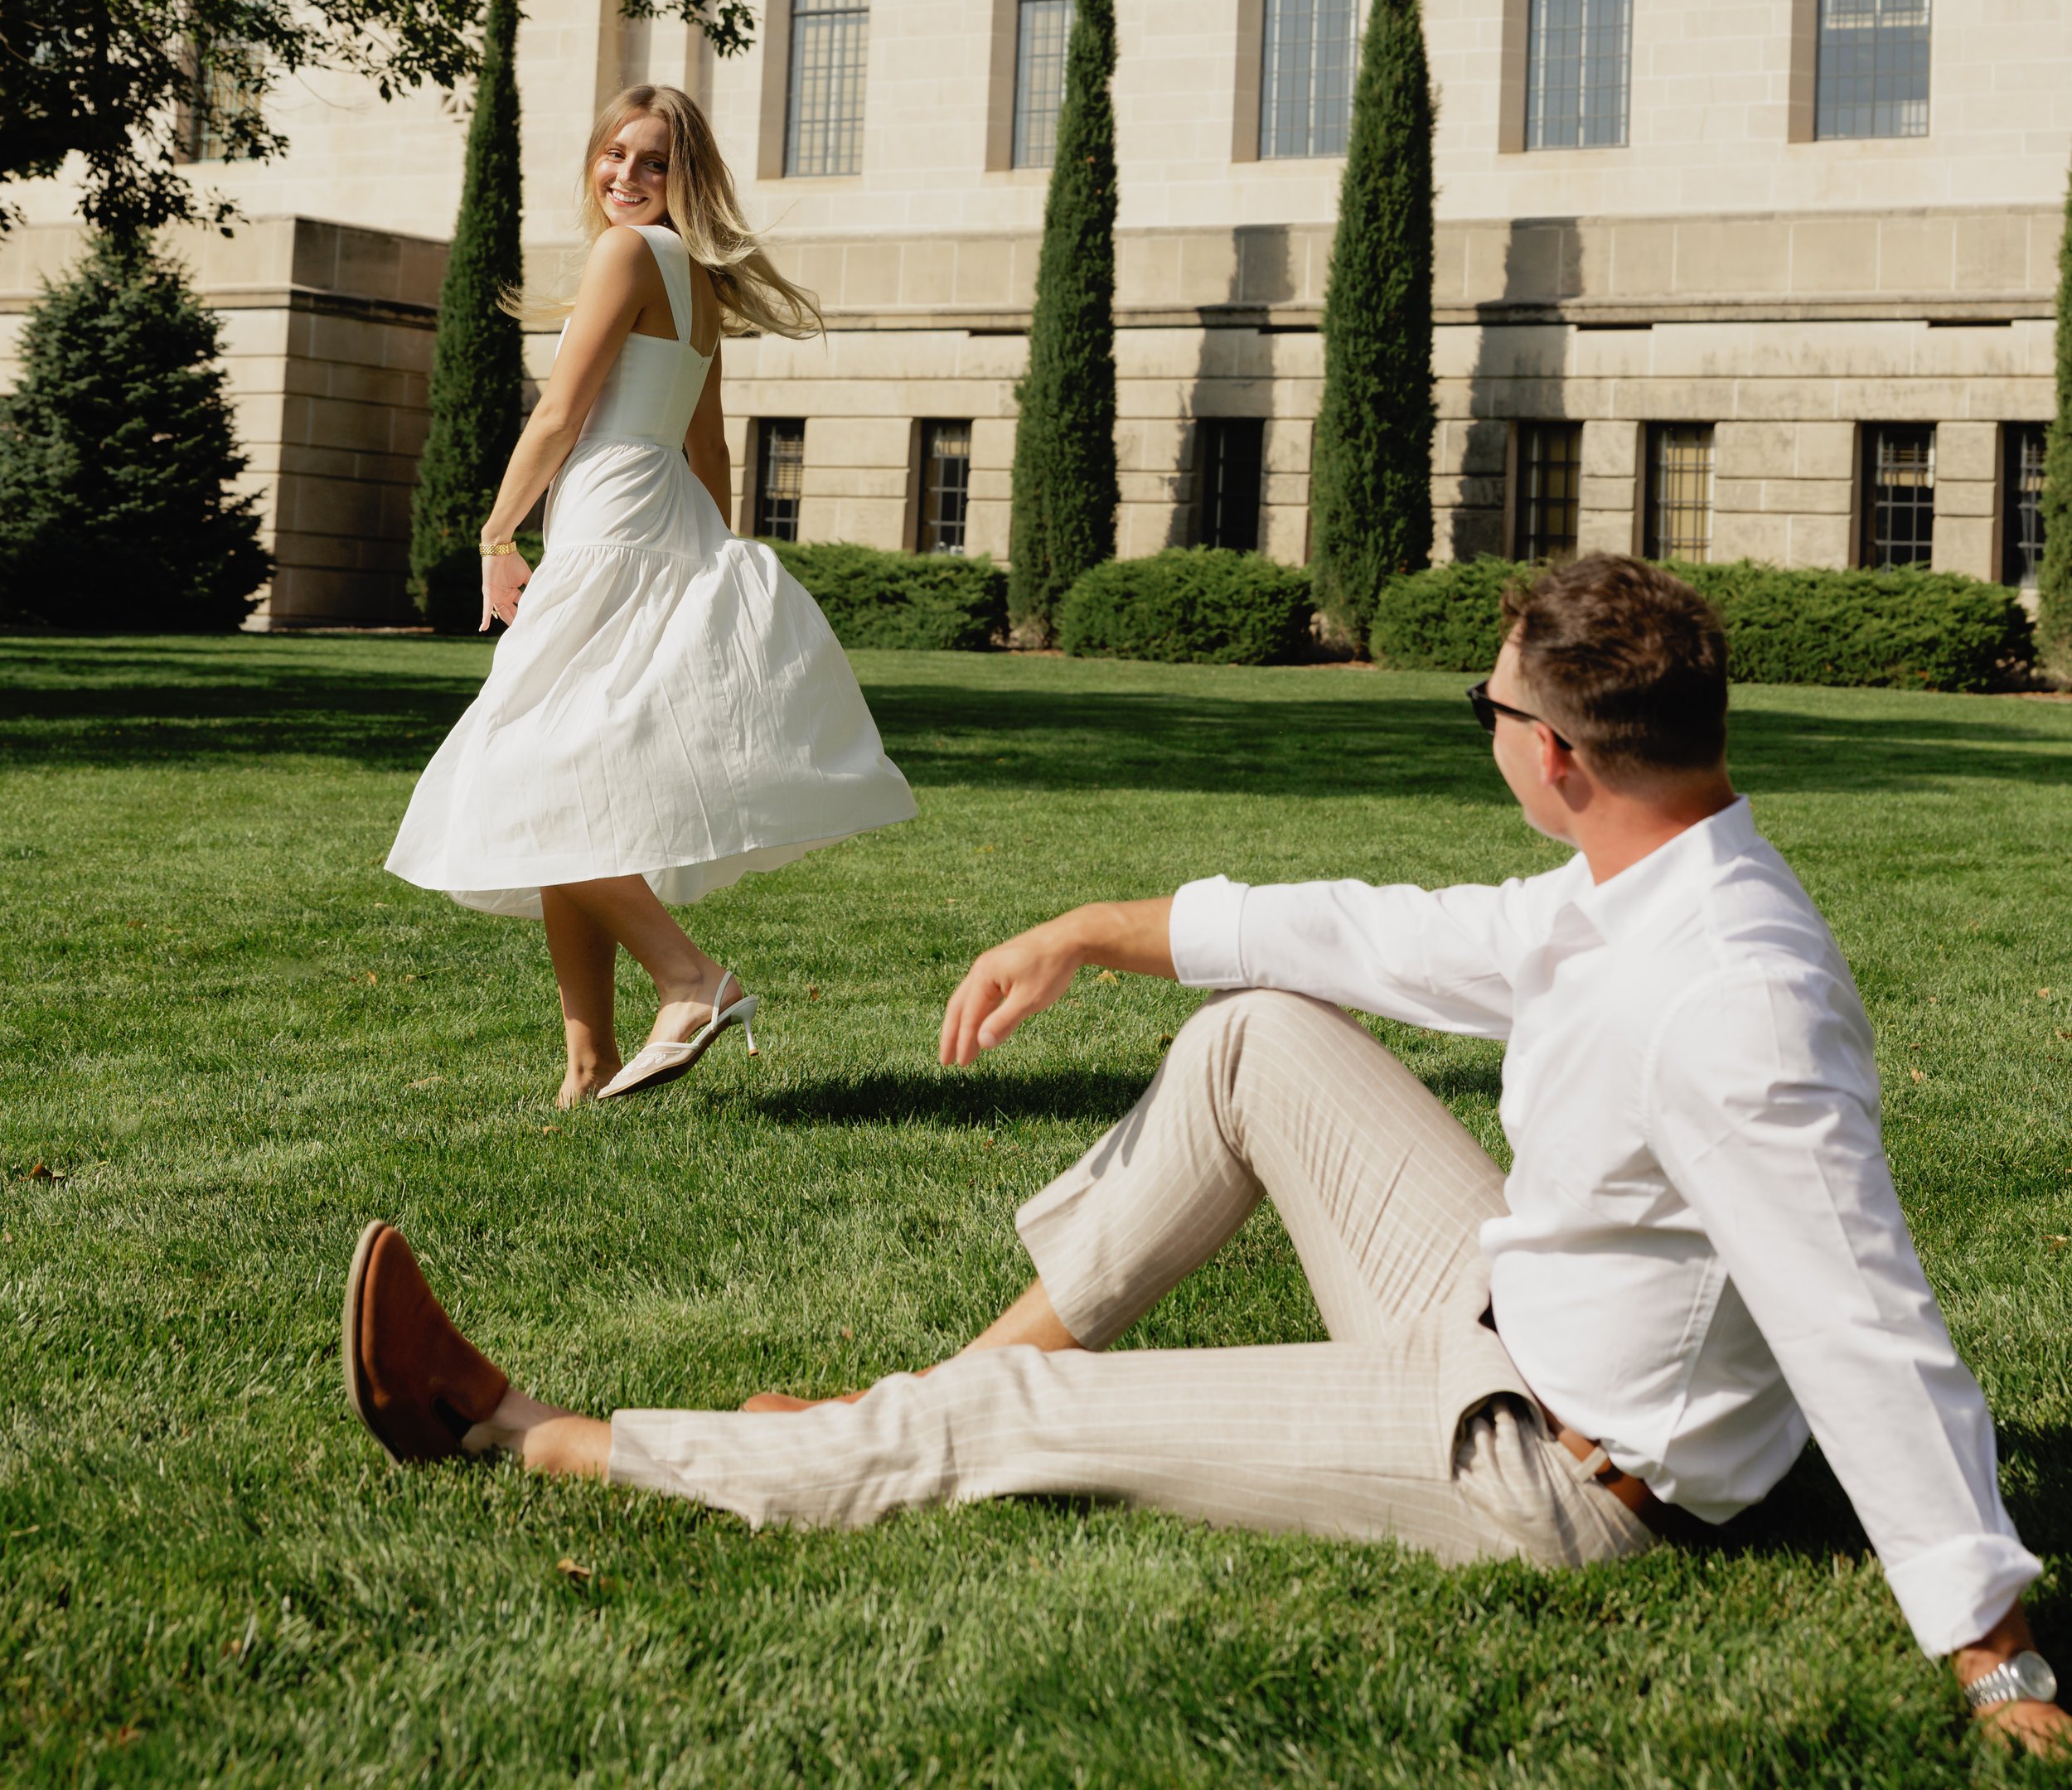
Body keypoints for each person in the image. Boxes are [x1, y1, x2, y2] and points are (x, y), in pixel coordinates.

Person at [348, 557, 2066, 1755]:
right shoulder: (1638, 881)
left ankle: (527, 1434)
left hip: (1547, 1465)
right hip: (1499, 1312)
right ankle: (929, 1375)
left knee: (1015, 1433)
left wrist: (1985, 1646)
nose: (1480, 733)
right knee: (1254, 1034)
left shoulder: (1733, 998)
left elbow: (1857, 1314)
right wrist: (1096, 928)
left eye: (1484, 709)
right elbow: (1384, 932)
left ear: (1552, 753)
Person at [385, 82, 913, 1105]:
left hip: (612, 525)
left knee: (520, 773)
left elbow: (559, 416)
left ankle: (690, 978)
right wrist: (709, 558)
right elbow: (708, 446)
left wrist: (498, 536)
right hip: (657, 521)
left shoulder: (627, 255)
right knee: (569, 789)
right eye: (614, 155)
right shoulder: (696, 275)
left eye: (654, 162)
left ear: (686, 178)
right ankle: (586, 1066)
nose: (626, 177)